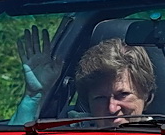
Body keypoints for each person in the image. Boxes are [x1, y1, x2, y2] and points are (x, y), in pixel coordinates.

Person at [10, 30, 157, 124]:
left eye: (123, 95)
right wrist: (33, 96)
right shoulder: (75, 128)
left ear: (147, 96)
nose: (112, 108)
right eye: (99, 98)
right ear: (88, 103)